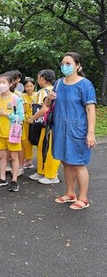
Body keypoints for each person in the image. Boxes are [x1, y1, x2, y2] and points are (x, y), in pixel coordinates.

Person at [50, 52, 96, 209]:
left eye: (68, 63)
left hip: (78, 129)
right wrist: (49, 97)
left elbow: (90, 109)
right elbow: (49, 104)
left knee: (78, 163)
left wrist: (90, 132)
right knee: (65, 162)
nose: (64, 66)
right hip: (60, 128)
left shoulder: (85, 85)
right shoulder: (58, 83)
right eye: (62, 63)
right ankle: (70, 193)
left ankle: (83, 198)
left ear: (78, 66)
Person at [0, 73, 24, 192]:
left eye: (4, 82)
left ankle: (14, 180)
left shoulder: (16, 98)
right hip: (0, 132)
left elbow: (20, 117)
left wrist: (6, 114)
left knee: (14, 157)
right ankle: (2, 178)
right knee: (2, 156)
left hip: (12, 132)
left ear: (10, 84)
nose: (1, 85)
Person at [27, 70, 61, 184]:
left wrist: (32, 117)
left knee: (48, 148)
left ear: (43, 78)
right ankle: (42, 171)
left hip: (47, 124)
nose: (38, 80)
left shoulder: (43, 91)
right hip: (48, 123)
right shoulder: (53, 89)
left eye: (38, 78)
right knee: (43, 146)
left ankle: (51, 174)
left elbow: (44, 109)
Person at [21, 77, 37, 169]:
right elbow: (23, 110)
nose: (29, 88)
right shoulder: (23, 96)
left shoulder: (37, 95)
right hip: (26, 121)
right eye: (27, 86)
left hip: (37, 121)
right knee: (26, 141)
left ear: (34, 86)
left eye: (31, 86)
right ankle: (28, 160)